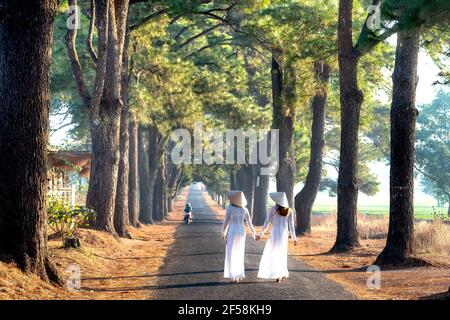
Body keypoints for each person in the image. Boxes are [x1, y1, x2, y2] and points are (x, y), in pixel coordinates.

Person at [256, 192, 297, 282]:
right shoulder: (289, 210)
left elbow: (266, 223)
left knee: (274, 252)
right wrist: (294, 238)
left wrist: (260, 235)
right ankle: (281, 274)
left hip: (275, 233)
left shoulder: (273, 209)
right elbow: (291, 226)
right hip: (283, 234)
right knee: (282, 253)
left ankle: (277, 273)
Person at [221, 190, 257, 283]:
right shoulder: (245, 209)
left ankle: (232, 275)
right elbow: (249, 224)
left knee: (231, 252)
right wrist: (254, 234)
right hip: (241, 231)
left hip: (233, 230)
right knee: (240, 252)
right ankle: (238, 274)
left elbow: (226, 222)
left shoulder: (229, 209)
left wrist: (223, 232)